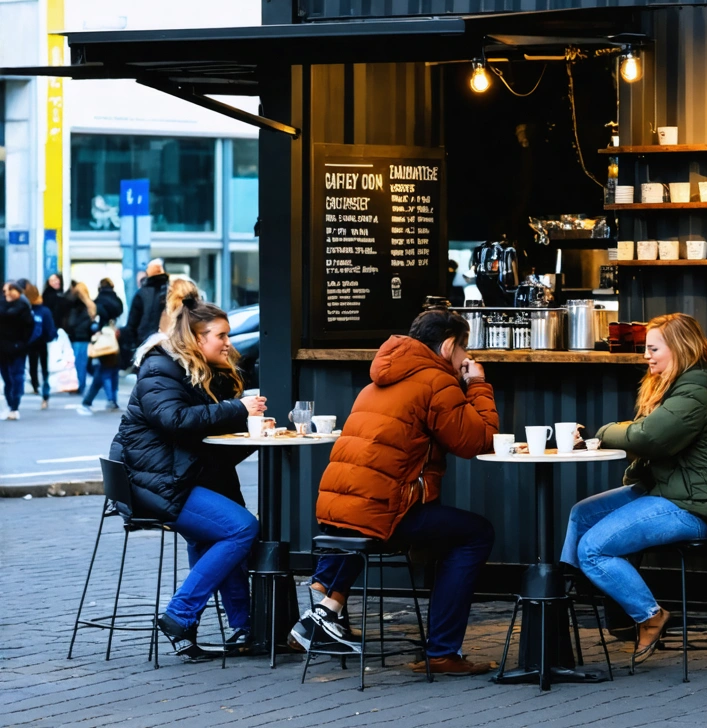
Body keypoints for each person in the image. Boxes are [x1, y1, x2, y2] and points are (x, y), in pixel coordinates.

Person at [289, 309, 499, 676]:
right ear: (449, 345)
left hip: (340, 509)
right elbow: (477, 441)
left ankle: (323, 611)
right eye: (464, 349)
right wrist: (478, 384)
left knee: (416, 521)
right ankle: (442, 652)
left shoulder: (381, 376)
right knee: (476, 533)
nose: (467, 358)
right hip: (379, 513)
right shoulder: (436, 380)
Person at [560, 313, 707, 665]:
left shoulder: (693, 396)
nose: (646, 355)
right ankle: (564, 599)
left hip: (698, 506)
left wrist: (601, 433)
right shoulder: (675, 389)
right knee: (582, 514)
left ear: (679, 349)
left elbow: (647, 437)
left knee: (594, 549)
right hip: (670, 491)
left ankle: (649, 616)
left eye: (653, 348)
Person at [110, 279, 267, 659]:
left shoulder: (202, 372)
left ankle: (242, 628)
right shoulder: (160, 367)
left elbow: (203, 433)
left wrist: (250, 428)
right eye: (221, 336)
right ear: (197, 340)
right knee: (242, 528)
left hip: (181, 475)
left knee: (220, 533)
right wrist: (239, 411)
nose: (229, 343)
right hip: (154, 483)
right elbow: (174, 419)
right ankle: (179, 614)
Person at [0, 283, 34, 420]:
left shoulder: (23, 307)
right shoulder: (1, 305)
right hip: (3, 348)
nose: (5, 293)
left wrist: (21, 344)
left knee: (16, 377)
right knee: (7, 379)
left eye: (7, 290)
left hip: (17, 348)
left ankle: (15, 406)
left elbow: (29, 328)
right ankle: (11, 405)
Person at [123, 259, 169, 356]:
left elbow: (132, 324)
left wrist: (133, 345)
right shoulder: (172, 291)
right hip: (166, 343)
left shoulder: (141, 293)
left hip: (144, 344)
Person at [24, 284, 57, 410]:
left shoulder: (31, 310)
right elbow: (50, 328)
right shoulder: (43, 310)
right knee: (43, 369)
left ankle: (38, 388)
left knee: (36, 367)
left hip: (34, 343)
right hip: (42, 343)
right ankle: (43, 393)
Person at [62, 282, 96, 395]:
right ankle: (80, 385)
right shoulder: (90, 306)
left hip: (76, 337)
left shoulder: (74, 306)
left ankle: (78, 386)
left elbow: (71, 322)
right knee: (81, 363)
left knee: (77, 364)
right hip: (86, 338)